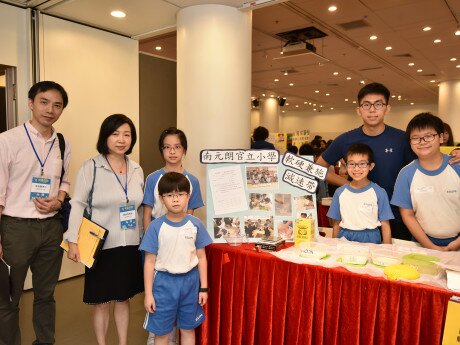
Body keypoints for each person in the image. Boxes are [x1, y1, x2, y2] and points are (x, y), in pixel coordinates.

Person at [64, 114, 144, 345]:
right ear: (105, 137)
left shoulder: (136, 168)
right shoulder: (92, 167)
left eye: (127, 134)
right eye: (115, 133)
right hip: (100, 245)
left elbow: (140, 208)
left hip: (129, 244)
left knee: (123, 298)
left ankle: (122, 342)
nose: (121, 139)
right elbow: (77, 204)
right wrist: (72, 240)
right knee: (101, 301)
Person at [0, 81, 70, 345]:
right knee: (9, 297)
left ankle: (44, 342)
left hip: (51, 228)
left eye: (57, 105)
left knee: (46, 294)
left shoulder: (62, 142)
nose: (50, 110)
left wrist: (58, 201)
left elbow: (64, 181)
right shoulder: (7, 141)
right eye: (44, 102)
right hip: (15, 229)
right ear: (30, 103)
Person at [316, 82, 417, 240]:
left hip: (396, 217)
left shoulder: (402, 138)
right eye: (366, 105)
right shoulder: (346, 139)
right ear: (359, 110)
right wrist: (347, 184)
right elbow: (318, 167)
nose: (372, 110)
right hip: (356, 220)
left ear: (387, 108)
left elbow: (422, 167)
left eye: (378, 104)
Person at [142, 127, 204, 344]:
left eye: (177, 147)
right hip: (158, 248)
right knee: (159, 309)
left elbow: (190, 217)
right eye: (167, 147)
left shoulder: (192, 181)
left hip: (183, 252)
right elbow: (147, 214)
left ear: (184, 150)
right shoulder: (152, 178)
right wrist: (151, 246)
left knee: (184, 317)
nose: (172, 152)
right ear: (162, 151)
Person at [140, 172, 212, 345]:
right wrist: (148, 294)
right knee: (162, 333)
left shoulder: (195, 224)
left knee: (188, 329)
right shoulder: (155, 227)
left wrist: (204, 288)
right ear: (161, 198)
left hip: (190, 282)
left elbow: (201, 257)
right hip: (163, 285)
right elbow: (149, 262)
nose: (175, 199)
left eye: (180, 194)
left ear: (188, 196)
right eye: (170, 195)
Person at [391, 113, 460, 251]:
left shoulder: (456, 166)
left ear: (441, 137)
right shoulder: (406, 174)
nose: (422, 142)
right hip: (422, 244)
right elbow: (407, 215)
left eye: (428, 136)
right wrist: (430, 246)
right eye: (415, 138)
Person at [327, 144, 393, 244]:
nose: (356, 169)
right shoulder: (339, 192)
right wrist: (334, 246)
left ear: (371, 166)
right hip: (344, 238)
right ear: (346, 165)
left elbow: (385, 224)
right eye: (352, 164)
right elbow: (336, 223)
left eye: (362, 164)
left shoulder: (379, 192)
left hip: (371, 239)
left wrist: (387, 250)